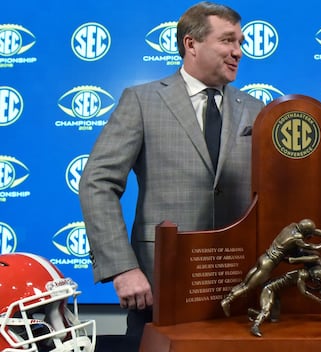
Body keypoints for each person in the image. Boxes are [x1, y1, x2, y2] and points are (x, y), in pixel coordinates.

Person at [78, 1, 264, 345]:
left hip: (240, 288)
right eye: (227, 41)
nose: (239, 51)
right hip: (160, 282)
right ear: (191, 44)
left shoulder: (256, 109)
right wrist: (122, 267)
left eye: (240, 42)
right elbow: (96, 183)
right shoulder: (141, 101)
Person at [220, 219, 321, 316]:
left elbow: (314, 231)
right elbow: (315, 247)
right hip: (268, 265)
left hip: (263, 257)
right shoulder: (297, 239)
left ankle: (228, 300)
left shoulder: (292, 226)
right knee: (248, 287)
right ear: (305, 233)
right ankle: (227, 301)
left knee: (244, 283)